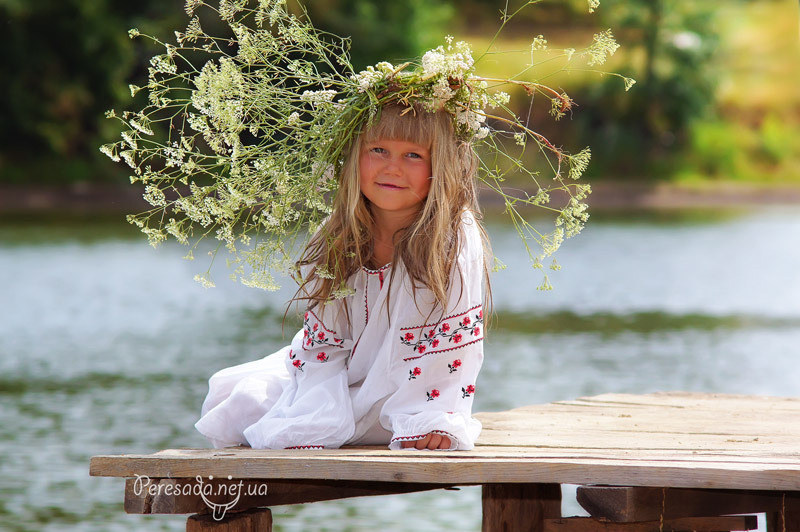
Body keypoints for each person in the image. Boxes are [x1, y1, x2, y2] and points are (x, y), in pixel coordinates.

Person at [194, 104, 491, 451]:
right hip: (341, 382)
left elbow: (451, 347)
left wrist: (429, 416)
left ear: (440, 166)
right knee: (242, 399)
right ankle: (326, 416)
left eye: (413, 155)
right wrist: (316, 412)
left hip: (412, 390)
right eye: (378, 150)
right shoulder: (336, 235)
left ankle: (417, 418)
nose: (392, 167)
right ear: (353, 157)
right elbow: (324, 345)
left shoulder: (452, 236)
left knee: (387, 419)